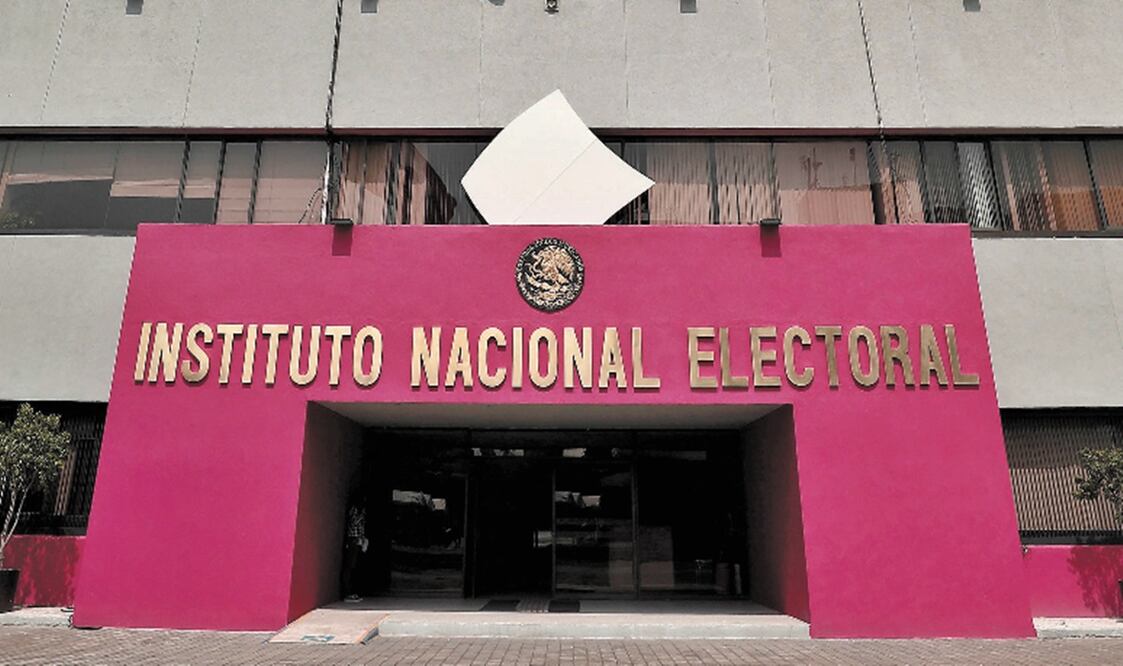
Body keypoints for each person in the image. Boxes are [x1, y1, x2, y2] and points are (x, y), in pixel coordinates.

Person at [342, 493, 368, 602]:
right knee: (349, 566)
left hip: (358, 541)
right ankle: (347, 593)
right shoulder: (354, 510)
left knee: (354, 567)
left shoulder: (361, 511)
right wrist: (361, 515)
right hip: (353, 540)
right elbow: (353, 523)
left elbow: (361, 527)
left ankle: (352, 591)